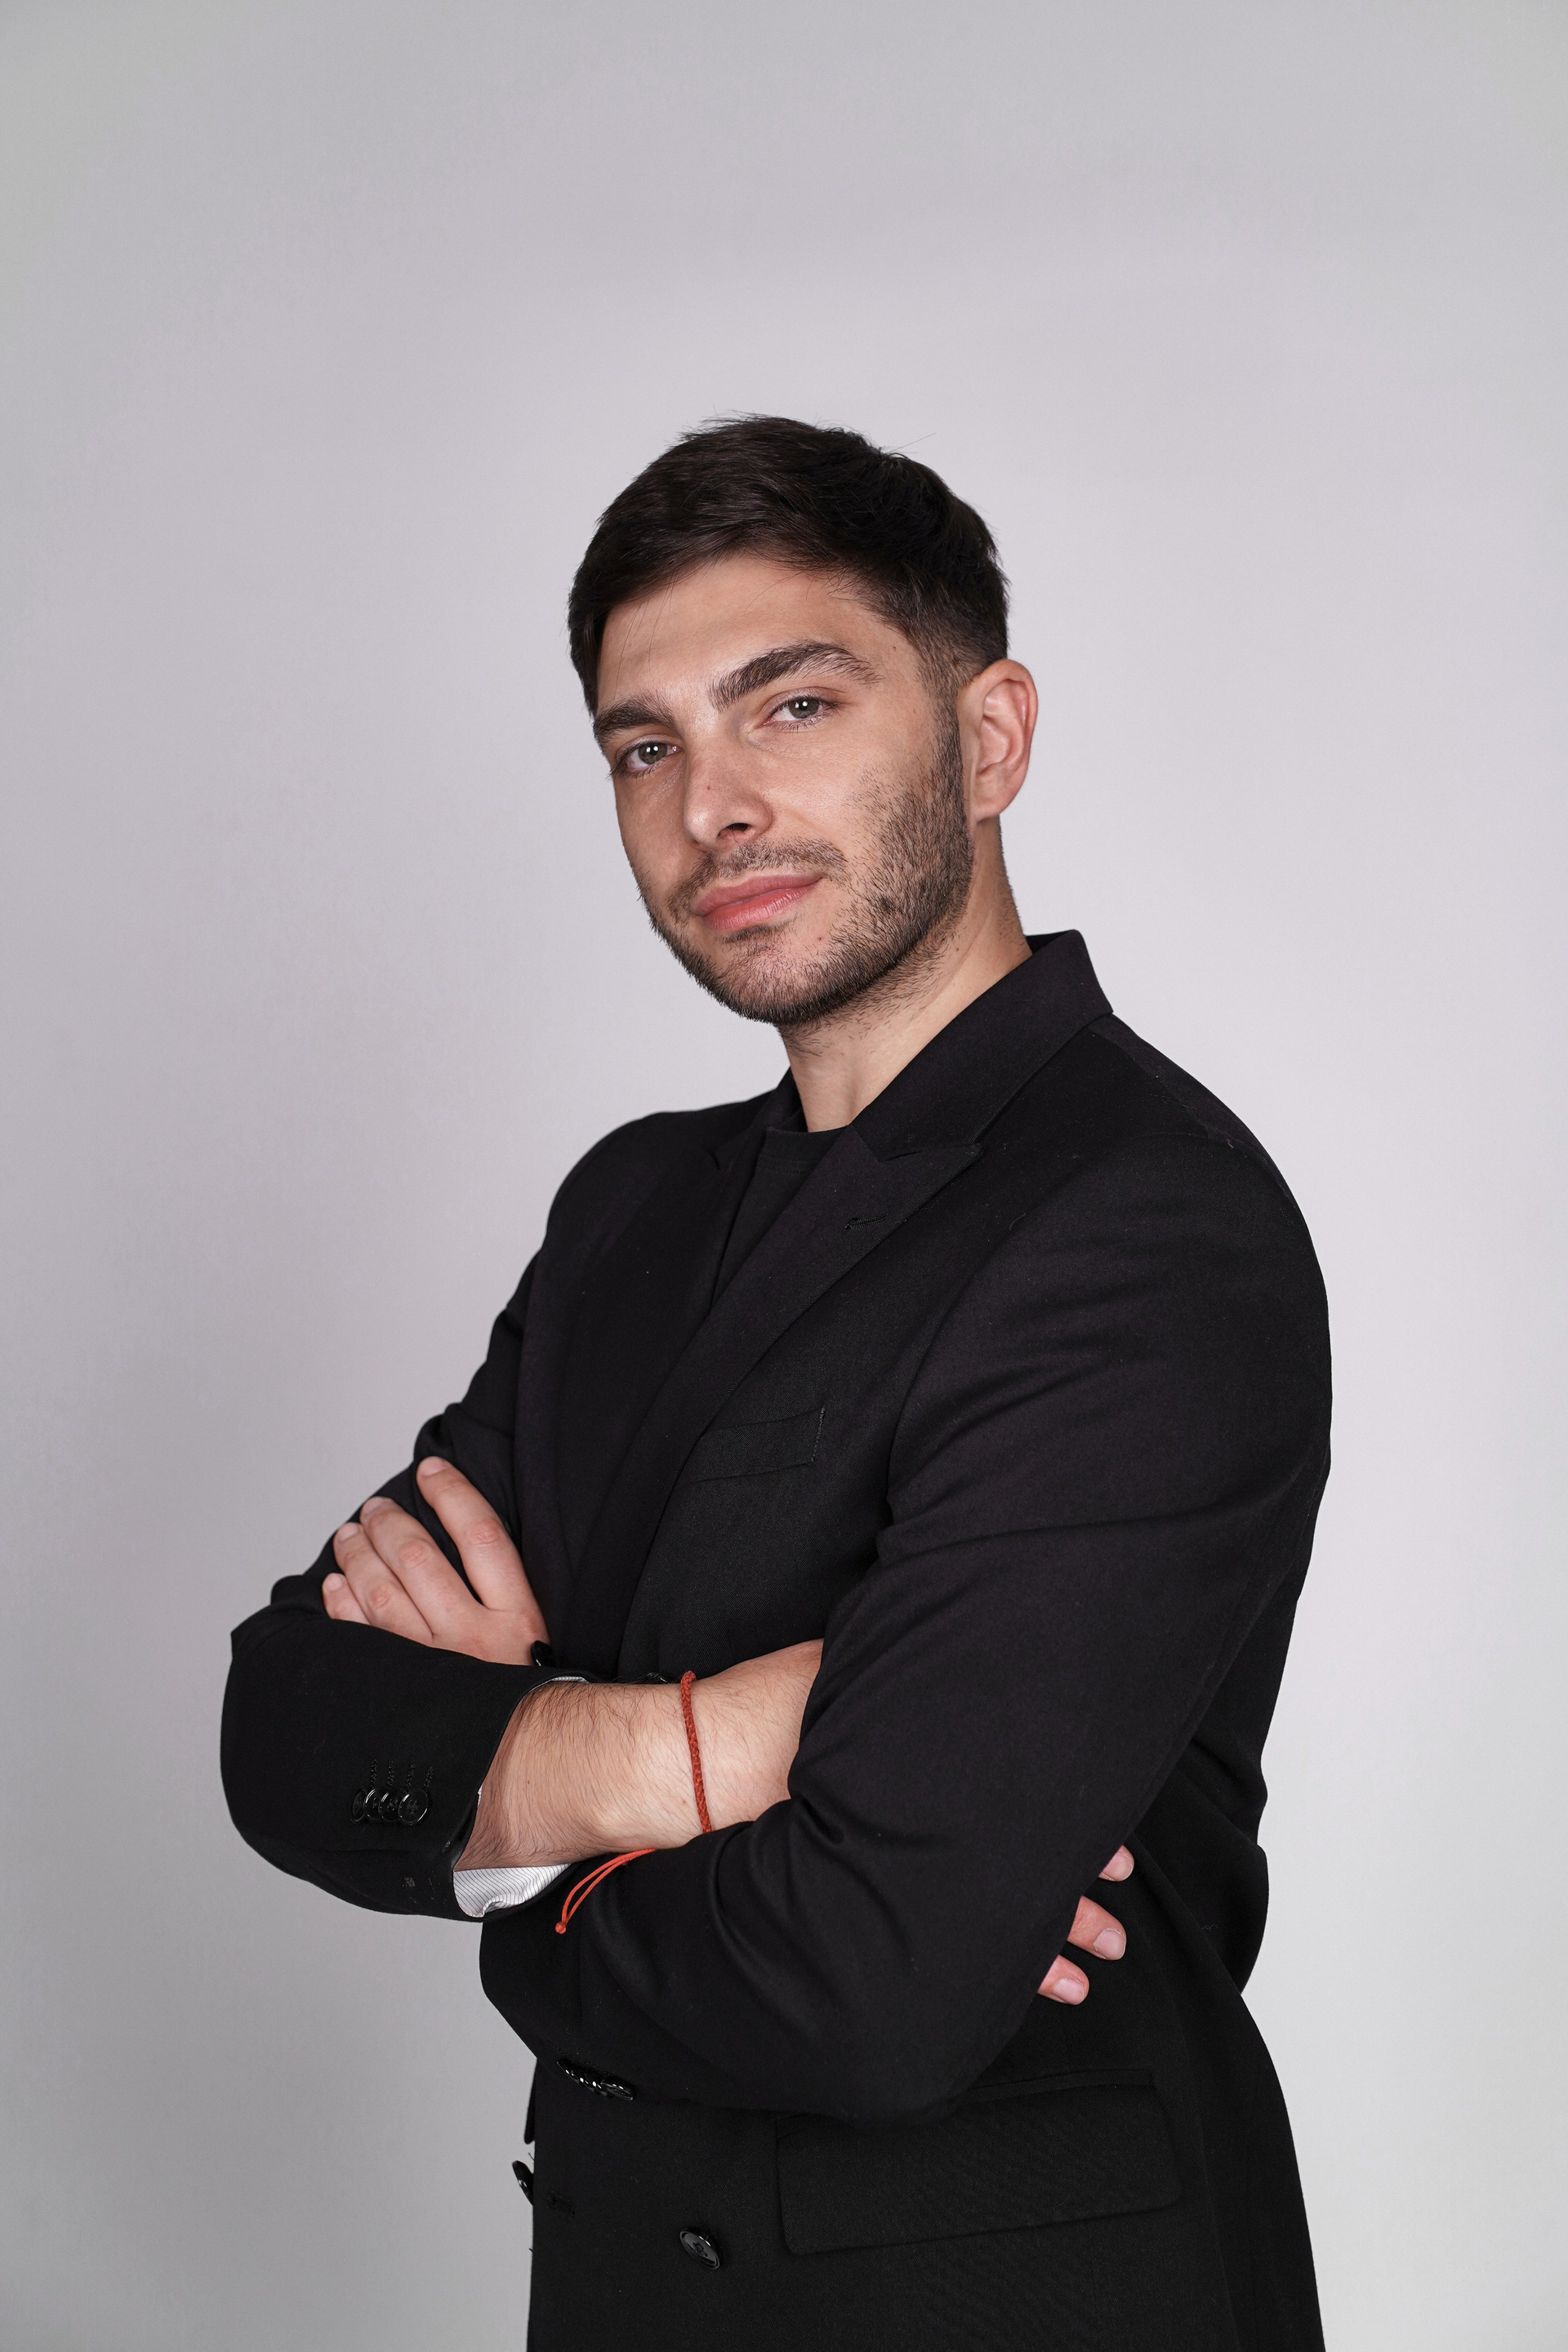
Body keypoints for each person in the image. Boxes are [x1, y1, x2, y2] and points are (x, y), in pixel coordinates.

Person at [222, 416, 1331, 2350]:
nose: (710, 808)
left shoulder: (1146, 1219)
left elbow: (873, 1983)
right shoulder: (630, 1212)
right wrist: (700, 1752)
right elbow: (290, 1721)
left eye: (792, 705)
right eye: (643, 748)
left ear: (990, 739)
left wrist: (509, 1864)